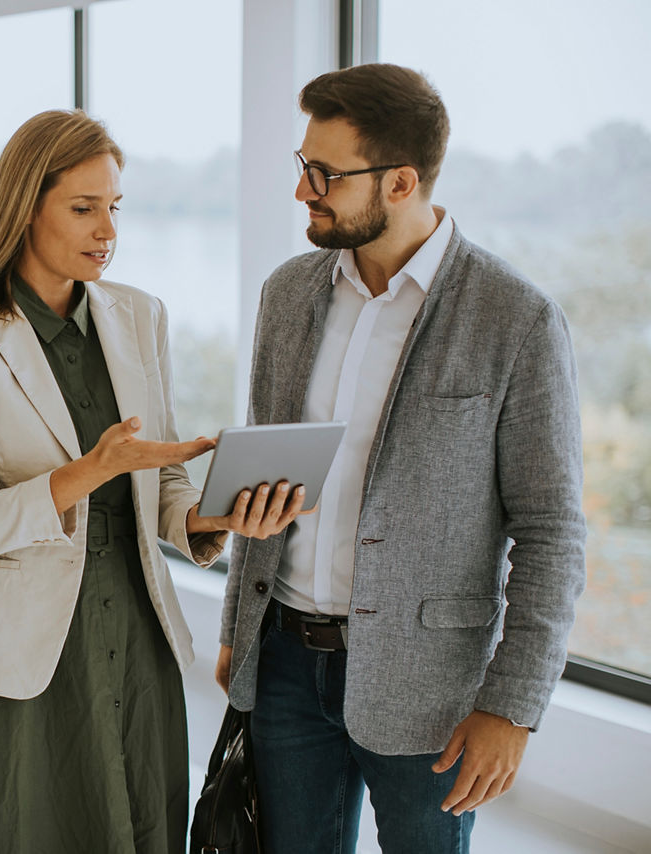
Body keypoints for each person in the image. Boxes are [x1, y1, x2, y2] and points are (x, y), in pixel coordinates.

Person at [0, 109, 303, 854]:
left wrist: (214, 518)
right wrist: (90, 471)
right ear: (25, 207)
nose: (106, 229)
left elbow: (164, 485)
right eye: (83, 208)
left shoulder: (139, 315)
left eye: (113, 207)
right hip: (14, 652)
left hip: (132, 632)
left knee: (137, 823)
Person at [217, 64, 586, 853]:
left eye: (325, 175)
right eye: (301, 167)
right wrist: (238, 628)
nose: (302, 192)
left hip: (433, 690)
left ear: (401, 182)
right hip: (282, 659)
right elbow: (263, 474)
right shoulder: (287, 295)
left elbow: (553, 530)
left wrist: (513, 705)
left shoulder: (515, 318)